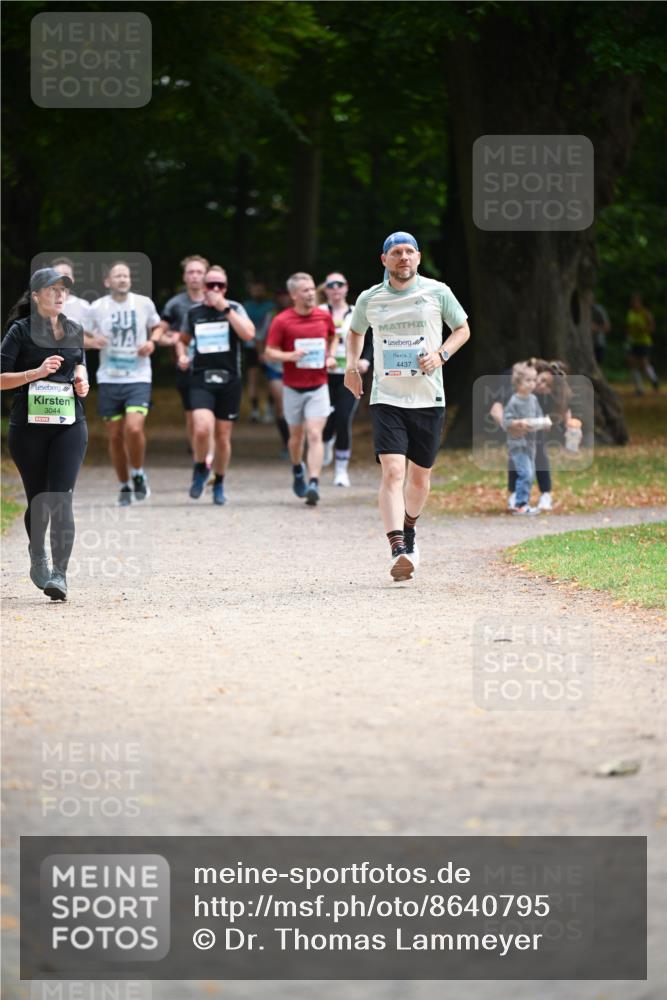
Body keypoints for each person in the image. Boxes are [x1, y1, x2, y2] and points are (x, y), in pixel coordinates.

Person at [344, 232, 470, 581]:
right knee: (393, 473)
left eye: (409, 252)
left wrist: (441, 355)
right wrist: (352, 367)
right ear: (384, 260)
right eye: (395, 252)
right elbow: (355, 332)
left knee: (419, 478)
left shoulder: (437, 291)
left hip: (428, 397)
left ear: (418, 257)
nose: (403, 257)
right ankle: (398, 548)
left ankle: (410, 529)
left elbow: (462, 329)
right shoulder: (371, 298)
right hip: (388, 398)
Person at [0, 267, 90, 601]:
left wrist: (83, 380)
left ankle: (59, 575)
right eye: (52, 289)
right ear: (36, 295)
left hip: (69, 424)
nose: (59, 295)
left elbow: (80, 363)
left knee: (61, 499)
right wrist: (34, 373)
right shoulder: (19, 332)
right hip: (28, 428)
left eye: (63, 290)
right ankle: (37, 552)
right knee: (39, 501)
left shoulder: (74, 329)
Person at [175, 265, 255, 504]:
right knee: (201, 428)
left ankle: (219, 482)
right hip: (201, 377)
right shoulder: (194, 312)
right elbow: (183, 339)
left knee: (222, 436)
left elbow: (249, 335)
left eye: (221, 285)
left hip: (229, 379)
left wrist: (226, 309)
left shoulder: (235, 308)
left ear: (226, 288)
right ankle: (200, 467)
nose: (216, 289)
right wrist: (181, 355)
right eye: (211, 285)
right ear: (203, 287)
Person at [89, 261, 162, 505]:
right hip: (109, 378)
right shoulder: (97, 307)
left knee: (133, 428)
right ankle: (124, 486)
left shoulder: (144, 303)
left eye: (126, 276)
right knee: (115, 436)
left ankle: (138, 472)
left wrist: (152, 342)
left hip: (138, 377)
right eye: (117, 276)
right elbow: (82, 334)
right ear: (107, 282)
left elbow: (158, 326)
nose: (123, 279)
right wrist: (92, 340)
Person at [265, 272, 337, 506]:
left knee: (315, 434)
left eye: (312, 289)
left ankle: (313, 482)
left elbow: (332, 337)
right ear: (294, 295)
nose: (311, 293)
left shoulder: (323, 316)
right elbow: (269, 352)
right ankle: (297, 469)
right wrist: (290, 356)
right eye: (305, 290)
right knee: (296, 438)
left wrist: (331, 356)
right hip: (293, 388)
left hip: (319, 385)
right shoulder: (282, 320)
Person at [489, 358, 571, 512]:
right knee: (520, 460)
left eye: (548, 386)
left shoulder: (537, 396)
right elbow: (496, 409)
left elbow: (565, 408)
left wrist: (568, 426)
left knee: (538, 451)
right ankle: (516, 497)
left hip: (531, 429)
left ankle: (544, 494)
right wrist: (511, 427)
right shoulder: (514, 383)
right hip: (514, 424)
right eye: (542, 380)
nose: (540, 385)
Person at [319, 272, 371, 487]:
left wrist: (366, 360)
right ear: (326, 289)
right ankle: (325, 441)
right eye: (331, 285)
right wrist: (324, 357)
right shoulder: (318, 312)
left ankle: (341, 470)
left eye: (340, 284)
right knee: (325, 419)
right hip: (322, 376)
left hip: (349, 375)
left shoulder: (357, 313)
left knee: (343, 418)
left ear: (346, 287)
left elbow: (371, 340)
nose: (336, 289)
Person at [159, 255, 211, 459]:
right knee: (192, 415)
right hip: (186, 366)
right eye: (191, 272)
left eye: (199, 272)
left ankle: (210, 456)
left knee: (211, 414)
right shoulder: (175, 304)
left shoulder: (215, 301)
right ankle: (197, 454)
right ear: (184, 276)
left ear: (206, 276)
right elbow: (159, 335)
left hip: (213, 365)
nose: (195, 276)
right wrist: (172, 340)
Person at [503, 363, 552, 515]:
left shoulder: (533, 399)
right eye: (528, 380)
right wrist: (518, 423)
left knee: (528, 474)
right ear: (518, 383)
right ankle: (521, 504)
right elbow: (507, 421)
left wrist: (544, 422)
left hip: (531, 445)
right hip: (518, 445)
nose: (532, 384)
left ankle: (521, 503)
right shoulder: (514, 401)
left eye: (534, 380)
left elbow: (538, 416)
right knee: (526, 474)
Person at [50, 257, 107, 350]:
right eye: (57, 274)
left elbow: (92, 340)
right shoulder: (42, 305)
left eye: (66, 274)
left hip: (77, 363)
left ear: (72, 279)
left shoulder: (83, 305)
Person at [242, 279, 275, 422]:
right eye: (255, 289)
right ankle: (255, 410)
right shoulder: (245, 307)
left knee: (270, 380)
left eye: (260, 289)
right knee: (253, 379)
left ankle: (269, 408)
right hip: (250, 348)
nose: (258, 292)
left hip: (270, 347)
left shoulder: (271, 306)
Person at [625, 293, 659, 393]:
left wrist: (643, 329)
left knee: (644, 363)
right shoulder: (630, 313)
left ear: (640, 303)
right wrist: (628, 333)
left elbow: (652, 328)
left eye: (635, 302)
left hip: (644, 342)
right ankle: (639, 388)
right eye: (632, 302)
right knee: (632, 363)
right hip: (634, 342)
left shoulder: (645, 313)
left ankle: (654, 380)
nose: (634, 304)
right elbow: (628, 327)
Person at [590, 301, 611, 366]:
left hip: (598, 343)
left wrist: (596, 327)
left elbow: (607, 327)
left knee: (597, 364)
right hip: (588, 343)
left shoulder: (598, 310)